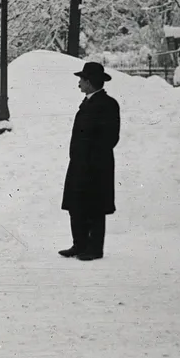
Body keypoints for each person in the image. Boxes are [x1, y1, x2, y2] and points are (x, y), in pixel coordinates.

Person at [60, 61, 120, 261]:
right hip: (79, 164)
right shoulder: (88, 102)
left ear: (90, 81)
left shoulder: (107, 104)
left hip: (96, 167)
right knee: (77, 205)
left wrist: (90, 159)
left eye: (81, 79)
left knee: (94, 207)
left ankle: (95, 248)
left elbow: (110, 138)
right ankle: (79, 244)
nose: (78, 83)